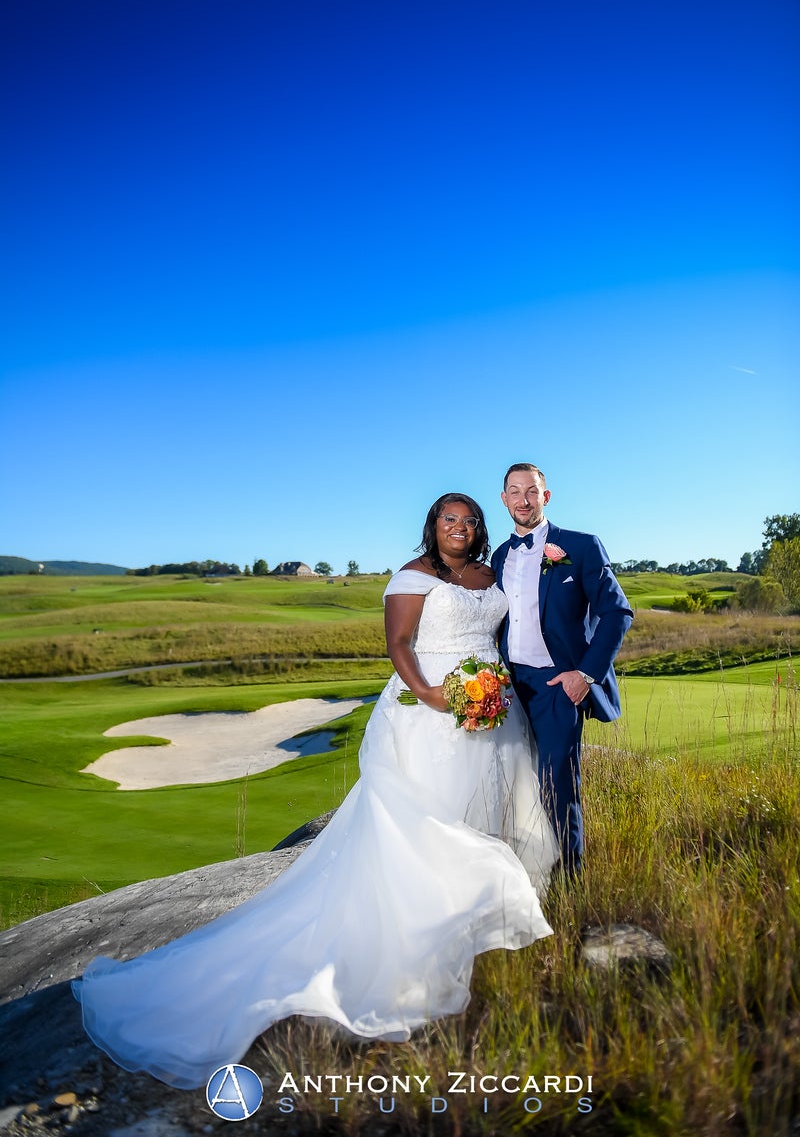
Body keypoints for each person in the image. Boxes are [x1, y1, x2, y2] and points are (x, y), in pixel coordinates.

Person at [73, 493, 558, 1090]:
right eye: (448, 519)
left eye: (469, 520)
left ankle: (476, 931)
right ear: (433, 526)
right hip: (433, 706)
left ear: (479, 528)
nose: (459, 527)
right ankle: (422, 938)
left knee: (492, 805)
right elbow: (399, 645)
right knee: (432, 821)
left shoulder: (489, 572)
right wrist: (434, 696)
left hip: (492, 702)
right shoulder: (413, 575)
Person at [492, 464, 633, 876]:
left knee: (556, 787)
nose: (523, 500)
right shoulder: (499, 557)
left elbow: (617, 612)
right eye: (514, 491)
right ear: (504, 499)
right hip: (510, 689)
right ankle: (521, 875)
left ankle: (569, 883)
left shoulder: (581, 546)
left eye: (531, 491)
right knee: (511, 784)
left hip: (558, 685)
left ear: (546, 496)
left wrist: (584, 675)